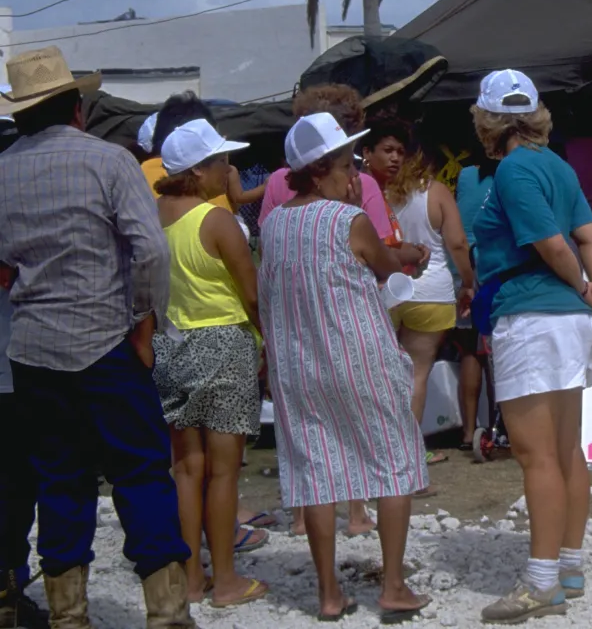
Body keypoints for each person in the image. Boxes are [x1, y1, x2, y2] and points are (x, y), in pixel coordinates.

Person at [0, 47, 197, 628]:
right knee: (140, 474)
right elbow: (151, 251)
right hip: (107, 339)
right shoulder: (110, 162)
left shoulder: (1, 170)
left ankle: (69, 616)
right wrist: (144, 320)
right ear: (77, 108)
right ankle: (165, 612)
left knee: (60, 477)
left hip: (33, 347)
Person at [258, 113, 431, 623]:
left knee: (316, 471)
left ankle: (329, 594)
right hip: (357, 356)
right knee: (394, 462)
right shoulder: (346, 219)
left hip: (298, 363)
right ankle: (394, 586)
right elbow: (387, 267)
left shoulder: (272, 226)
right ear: (322, 170)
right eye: (345, 163)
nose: (353, 172)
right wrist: (357, 211)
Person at [468, 70, 592, 623]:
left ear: (487, 120)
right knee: (566, 449)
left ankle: (541, 582)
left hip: (532, 314)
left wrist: (584, 286)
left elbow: (551, 244)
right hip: (570, 319)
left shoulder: (511, 169)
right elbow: (589, 236)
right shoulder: (558, 165)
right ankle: (570, 565)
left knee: (536, 456)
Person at [151, 120, 269, 608]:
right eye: (221, 161)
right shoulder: (216, 220)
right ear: (199, 170)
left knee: (185, 469)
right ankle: (225, 580)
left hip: (171, 346)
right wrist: (267, 344)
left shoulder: (152, 216)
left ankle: (191, 580)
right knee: (223, 473)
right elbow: (251, 294)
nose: (229, 169)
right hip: (223, 345)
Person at [369, 119, 476, 469]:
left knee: (382, 377)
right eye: (391, 150)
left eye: (400, 150)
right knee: (416, 375)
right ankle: (407, 457)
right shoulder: (436, 191)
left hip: (383, 293)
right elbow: (458, 243)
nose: (396, 156)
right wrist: (468, 283)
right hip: (430, 293)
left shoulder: (369, 193)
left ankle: (379, 453)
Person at [0, 265, 48, 629]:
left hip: (18, 368)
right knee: (15, 491)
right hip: (18, 369)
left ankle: (9, 593)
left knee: (17, 492)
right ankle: (8, 593)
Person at [454, 155, 500, 453]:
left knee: (471, 351)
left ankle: (469, 431)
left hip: (461, 267)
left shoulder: (465, 176)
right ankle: (502, 427)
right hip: (494, 267)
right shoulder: (512, 173)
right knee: (499, 352)